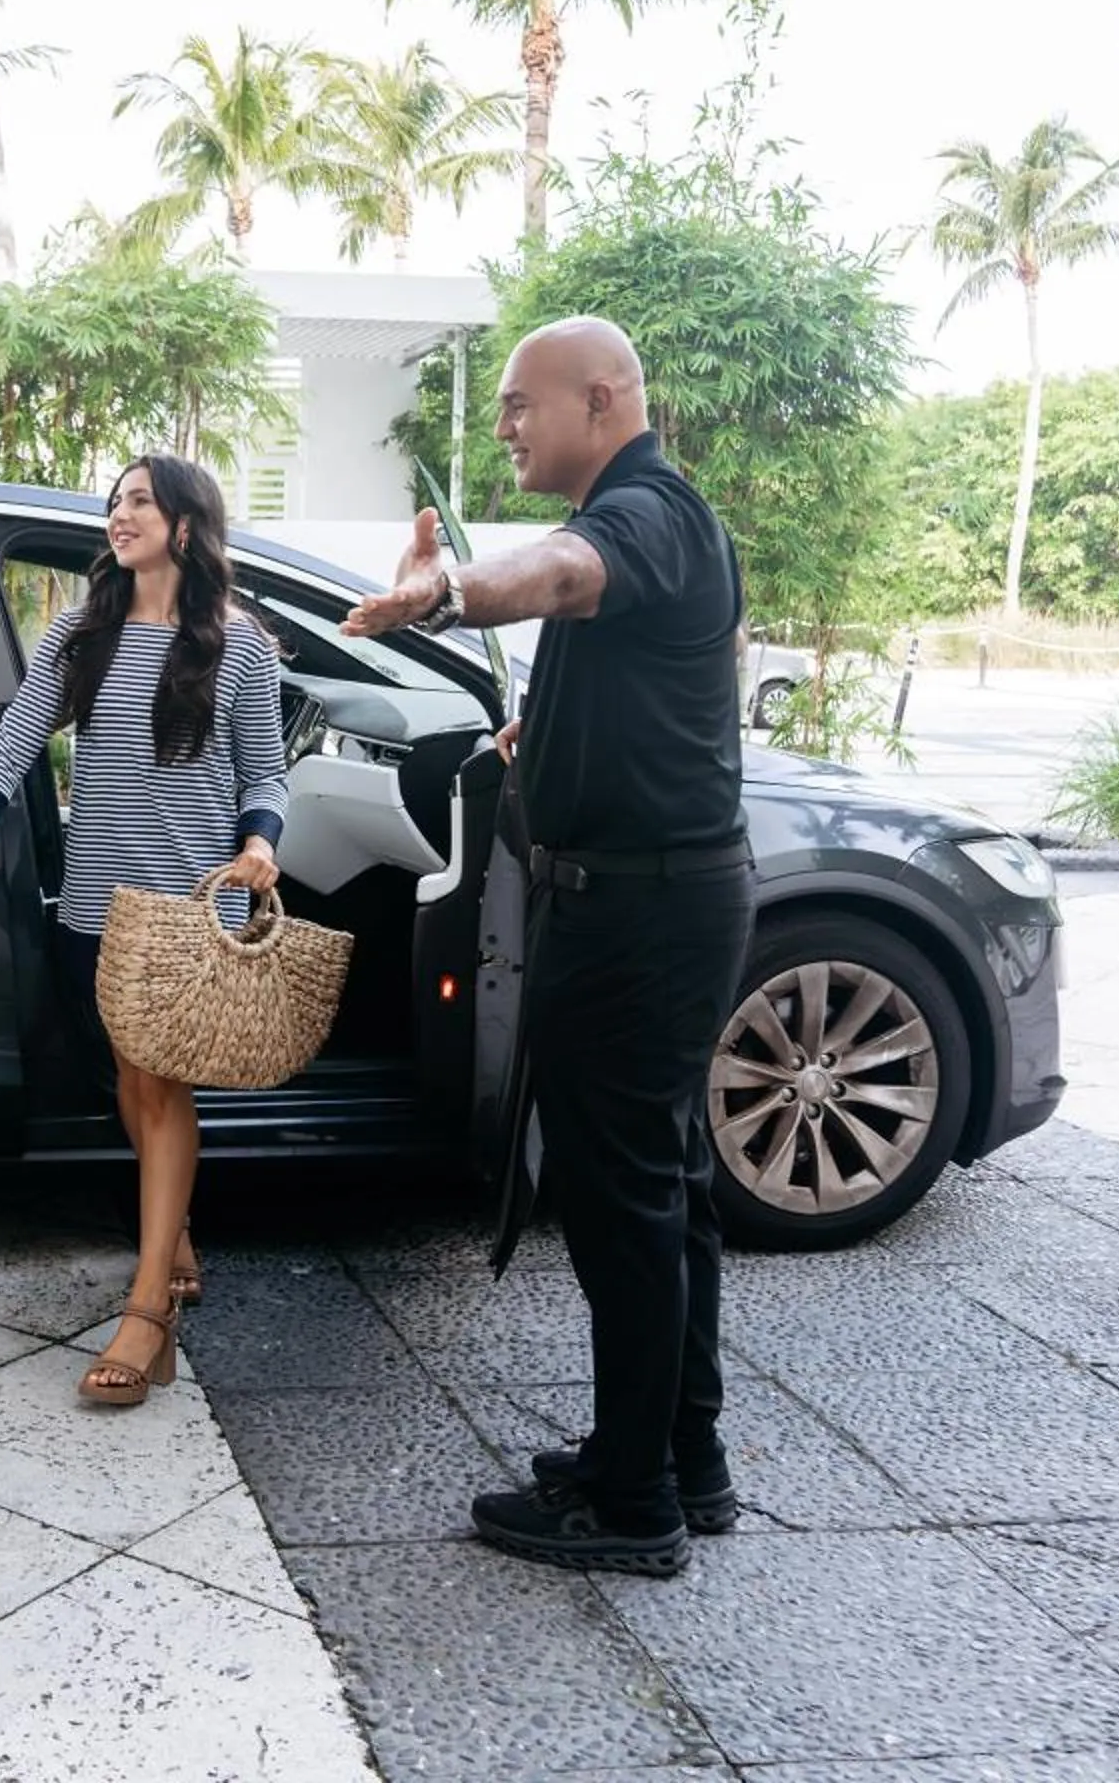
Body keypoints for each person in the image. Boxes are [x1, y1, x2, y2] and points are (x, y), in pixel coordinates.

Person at [346, 317, 755, 1577]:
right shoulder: (649, 522)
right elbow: (661, 667)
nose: (505, 424)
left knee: (624, 1200)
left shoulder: (645, 514)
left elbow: (567, 575)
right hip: (651, 901)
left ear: (604, 398)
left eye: (524, 402)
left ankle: (634, 1503)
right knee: (665, 1185)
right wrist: (560, 735)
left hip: (642, 915)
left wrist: (446, 592)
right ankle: (680, 1455)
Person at [0, 456, 287, 1407]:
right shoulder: (82, 634)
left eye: (138, 502)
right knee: (130, 1079)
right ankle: (176, 1236)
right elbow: (13, 744)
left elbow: (265, 776)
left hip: (189, 906)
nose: (118, 516)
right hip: (95, 904)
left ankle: (147, 1312)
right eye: (113, 503)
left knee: (160, 1087)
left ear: (186, 525)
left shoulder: (241, 647)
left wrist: (260, 846)